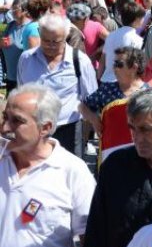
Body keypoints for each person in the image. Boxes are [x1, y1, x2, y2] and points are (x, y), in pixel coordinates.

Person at [0, 84, 96, 247]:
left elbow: (91, 243)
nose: (5, 128)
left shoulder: (72, 171)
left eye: (17, 121)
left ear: (45, 127)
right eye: (5, 118)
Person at [84, 88, 152, 247]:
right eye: (133, 129)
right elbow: (96, 231)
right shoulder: (115, 166)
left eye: (146, 129)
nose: (137, 137)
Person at [17, 13, 98, 154]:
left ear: (65, 37)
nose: (50, 46)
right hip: (34, 130)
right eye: (46, 40)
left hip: (68, 130)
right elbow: (21, 91)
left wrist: (88, 131)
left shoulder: (80, 61)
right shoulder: (26, 59)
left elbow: (91, 98)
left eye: (56, 41)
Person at [79, 46, 147, 136]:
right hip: (111, 147)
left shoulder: (148, 93)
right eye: (114, 64)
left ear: (134, 67)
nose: (115, 68)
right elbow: (83, 106)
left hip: (140, 147)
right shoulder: (107, 89)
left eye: (119, 64)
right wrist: (94, 119)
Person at [98, 1, 145, 85]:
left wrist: (98, 79)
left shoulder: (110, 36)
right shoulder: (138, 40)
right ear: (137, 19)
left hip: (105, 81)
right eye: (142, 18)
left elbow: (102, 60)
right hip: (123, 83)